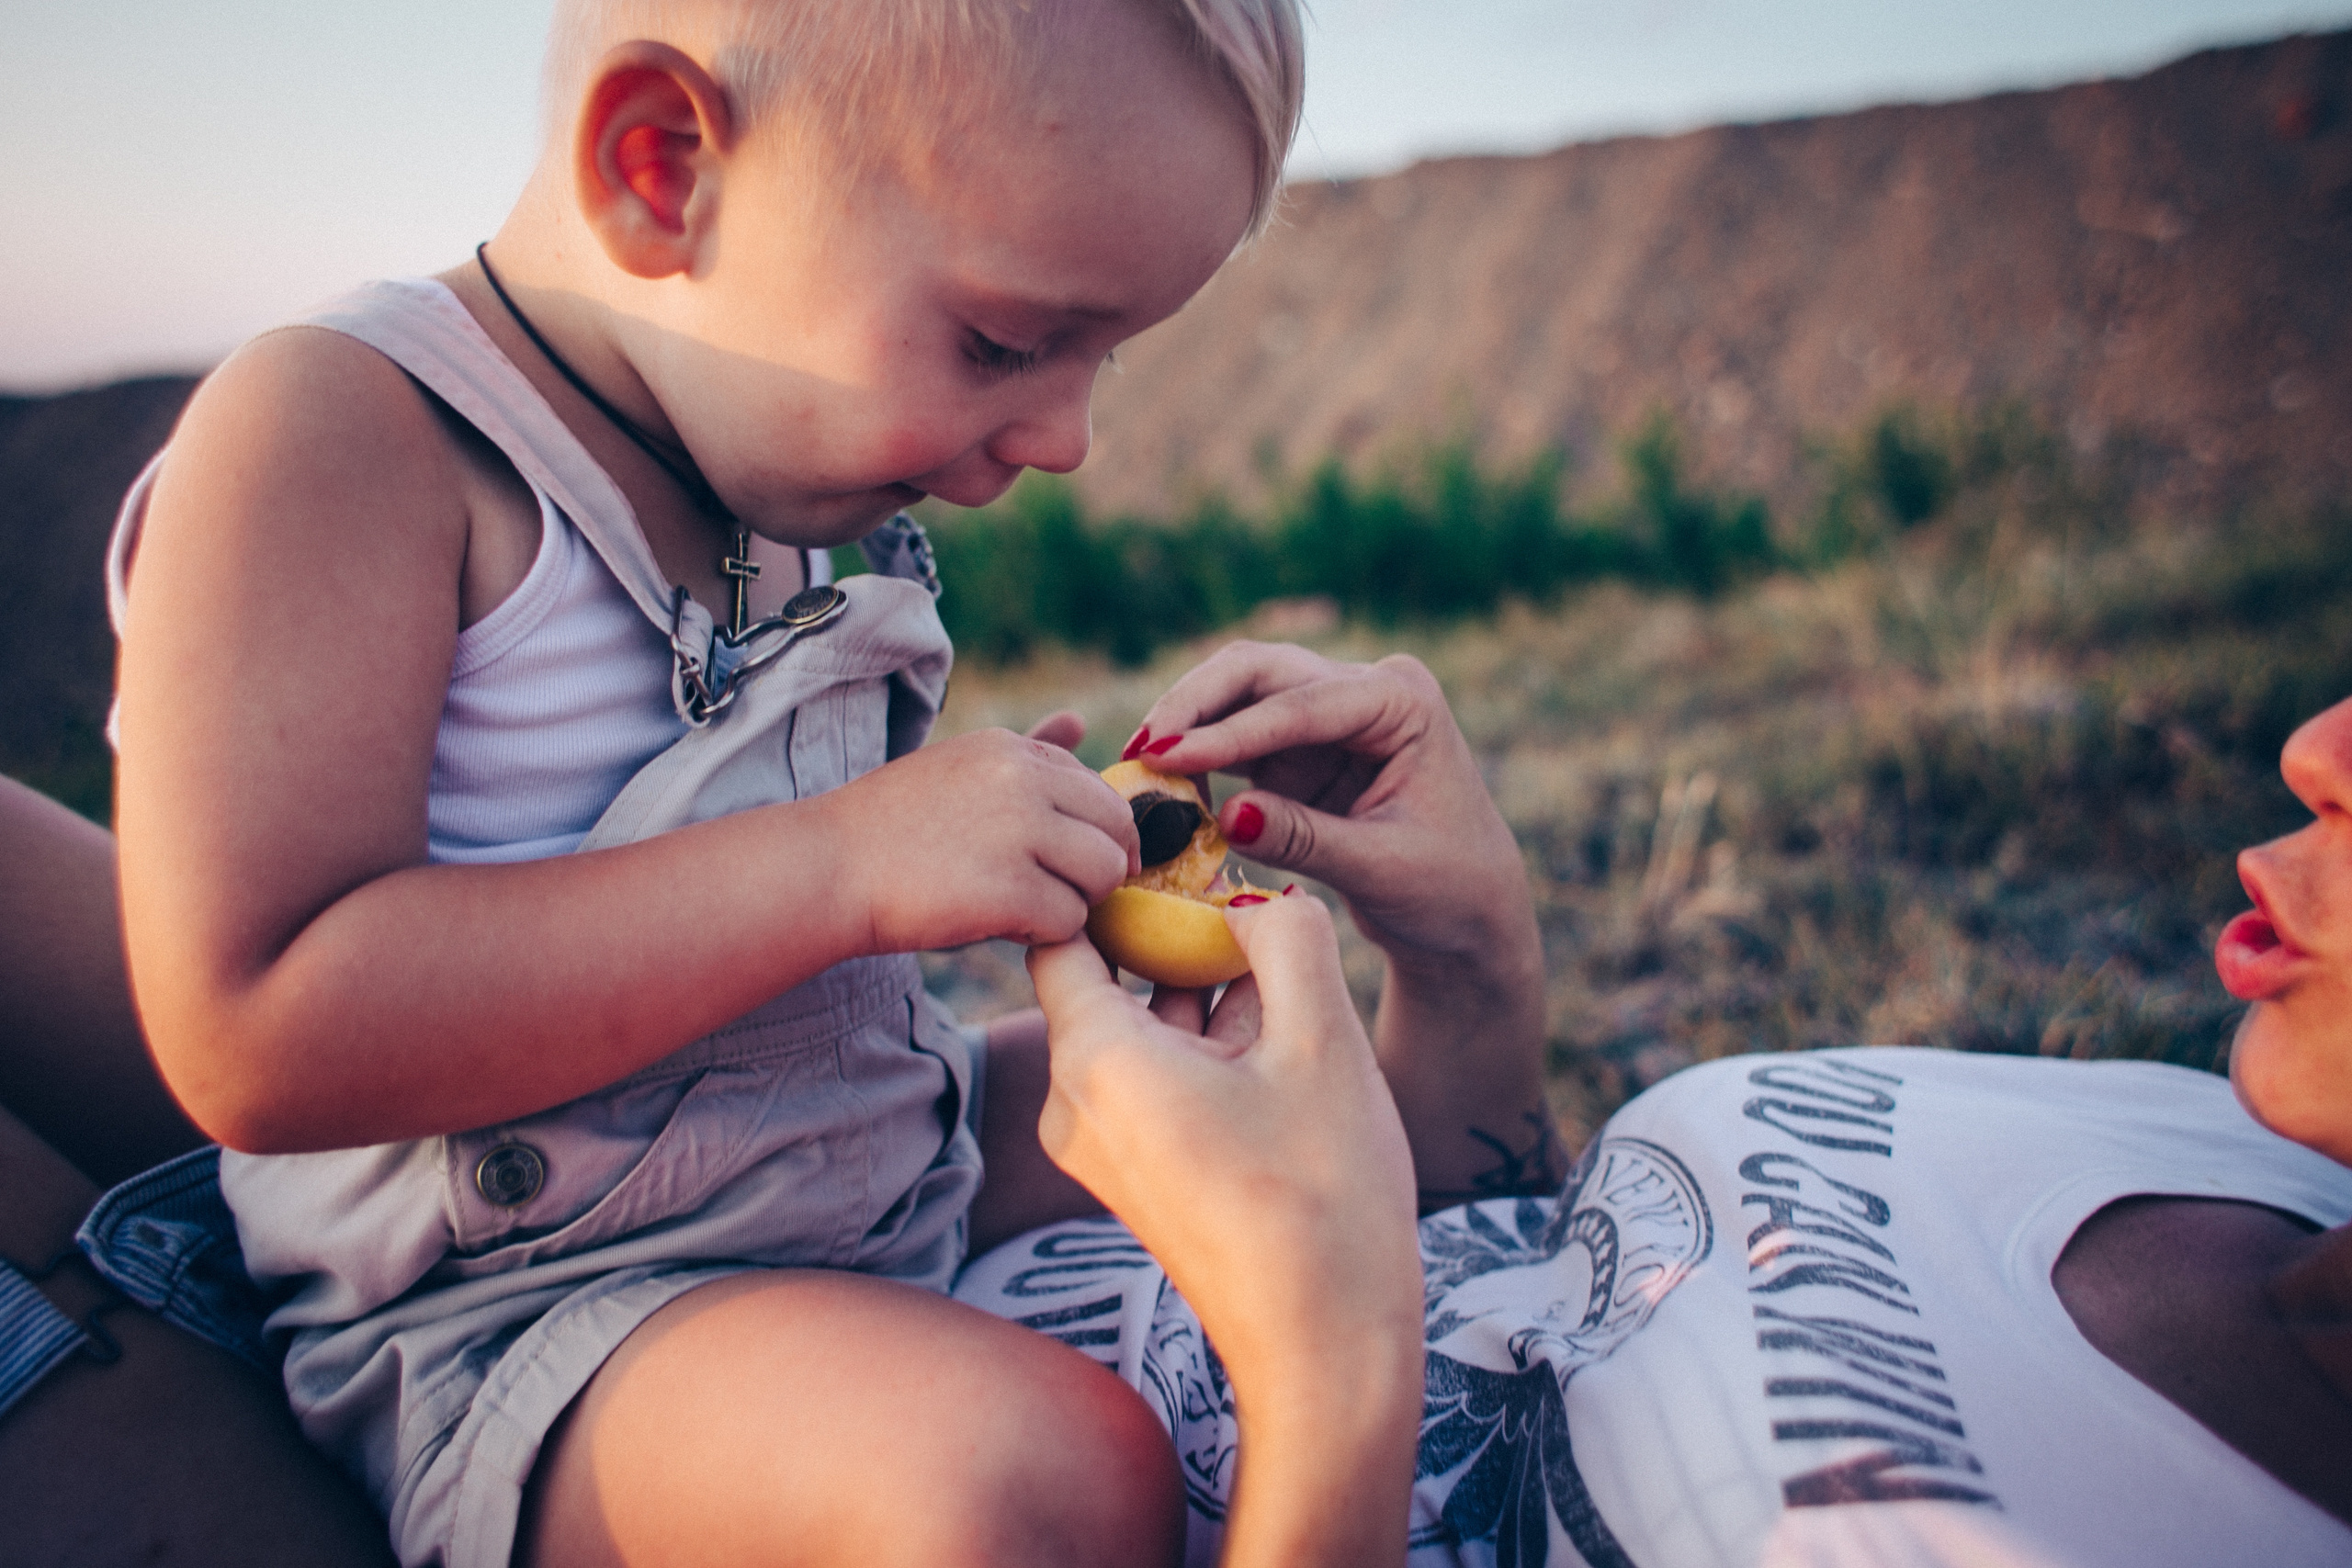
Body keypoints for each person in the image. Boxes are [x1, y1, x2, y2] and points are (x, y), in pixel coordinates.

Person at [97, 2, 1536, 1562]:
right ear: (661, 171)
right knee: (1029, 1480)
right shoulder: (352, 437)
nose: (1067, 436)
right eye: (1003, 342)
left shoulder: (776, 472)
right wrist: (847, 866)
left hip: (860, 1176)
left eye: (1103, 355)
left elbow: (820, 1059)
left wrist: (1065, 884)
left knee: (1317, 1137)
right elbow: (256, 1025)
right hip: (528, 1328)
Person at [983, 659, 2352, 1567]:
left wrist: (1325, 1375)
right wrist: (1473, 979)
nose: (2319, 746)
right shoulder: (2219, 1132)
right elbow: (1548, 1291)